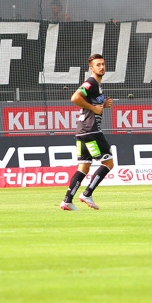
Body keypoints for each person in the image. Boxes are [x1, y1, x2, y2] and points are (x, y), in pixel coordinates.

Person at [60, 53, 114, 211]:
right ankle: (87, 193)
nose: (102, 67)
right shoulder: (91, 82)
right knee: (108, 163)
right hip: (92, 130)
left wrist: (103, 104)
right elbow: (75, 97)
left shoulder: (96, 85)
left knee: (83, 167)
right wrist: (94, 108)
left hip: (82, 131)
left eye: (103, 64)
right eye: (98, 65)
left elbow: (93, 103)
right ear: (91, 68)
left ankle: (67, 200)